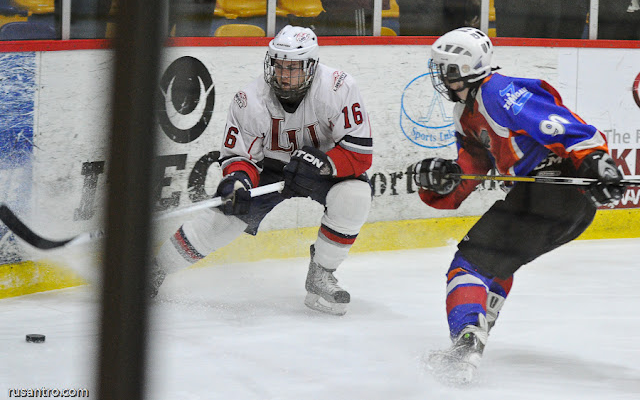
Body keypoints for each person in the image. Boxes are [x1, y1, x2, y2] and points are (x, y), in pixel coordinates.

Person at [412, 27, 625, 384]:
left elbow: (564, 127)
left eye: (445, 68)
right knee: (498, 264)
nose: (439, 76)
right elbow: (472, 169)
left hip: (552, 190)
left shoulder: (498, 92)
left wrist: (595, 160)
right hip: (559, 202)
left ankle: (466, 344)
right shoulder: (467, 112)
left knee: (469, 266)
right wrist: (443, 180)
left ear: (463, 70)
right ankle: (476, 330)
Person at [150, 25, 373, 316]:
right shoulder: (250, 99)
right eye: (279, 66)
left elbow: (359, 153)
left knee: (354, 196)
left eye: (293, 68)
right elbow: (238, 157)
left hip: (323, 167)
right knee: (223, 219)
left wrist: (324, 164)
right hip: (269, 168)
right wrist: (239, 181)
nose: (284, 74)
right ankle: (154, 271)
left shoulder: (338, 88)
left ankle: (321, 273)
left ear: (312, 66)